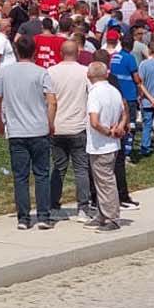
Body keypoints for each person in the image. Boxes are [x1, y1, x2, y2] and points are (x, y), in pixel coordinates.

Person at [0, 32, 55, 229]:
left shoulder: (6, 73)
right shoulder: (41, 72)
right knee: (42, 174)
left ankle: (23, 218)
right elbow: (52, 99)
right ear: (34, 52)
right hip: (39, 129)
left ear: (17, 51)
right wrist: (50, 122)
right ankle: (44, 215)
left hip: (17, 131)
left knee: (20, 176)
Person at [45, 37, 93, 216]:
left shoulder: (50, 71)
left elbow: (46, 99)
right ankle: (83, 207)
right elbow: (92, 94)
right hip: (78, 126)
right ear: (78, 53)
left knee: (58, 167)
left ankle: (53, 205)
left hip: (57, 125)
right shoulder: (84, 72)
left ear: (60, 53)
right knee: (81, 169)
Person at [84, 60, 127, 232]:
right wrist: (121, 126)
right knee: (102, 181)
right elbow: (124, 112)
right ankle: (102, 213)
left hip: (100, 144)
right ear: (106, 74)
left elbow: (94, 121)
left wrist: (107, 131)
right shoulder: (114, 90)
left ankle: (111, 217)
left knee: (105, 181)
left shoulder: (94, 93)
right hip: (112, 143)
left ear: (89, 76)